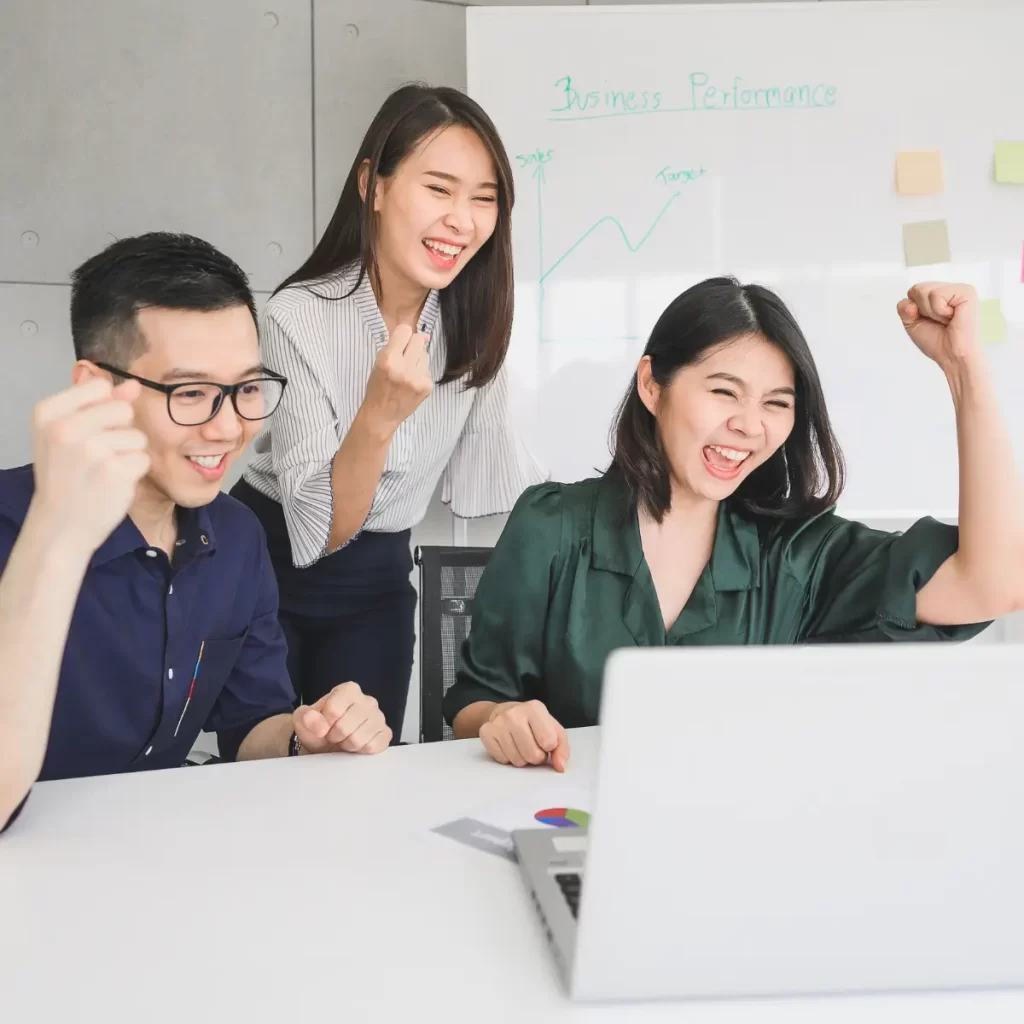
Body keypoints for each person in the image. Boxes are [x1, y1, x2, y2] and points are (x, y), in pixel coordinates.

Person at [443, 279, 1021, 771]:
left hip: (740, 848)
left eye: (776, 403)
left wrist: (963, 369)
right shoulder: (553, 526)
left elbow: (994, 583)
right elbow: (475, 701)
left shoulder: (798, 555)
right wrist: (500, 719)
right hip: (572, 833)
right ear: (652, 385)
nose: (749, 425)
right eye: (724, 392)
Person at [0, 233, 391, 834]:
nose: (230, 427)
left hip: (170, 863)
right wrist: (56, 537)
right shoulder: (14, 529)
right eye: (190, 394)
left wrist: (307, 735)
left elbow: (251, 727)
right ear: (96, 389)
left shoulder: (236, 534)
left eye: (246, 389)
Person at [231, 84, 543, 736]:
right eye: (439, 189)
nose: (464, 220)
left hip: (377, 581)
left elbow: (491, 490)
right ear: (372, 185)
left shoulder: (477, 328)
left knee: (362, 768)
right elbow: (321, 532)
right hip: (270, 564)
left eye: (484, 199)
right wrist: (379, 415)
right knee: (264, 773)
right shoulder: (299, 317)